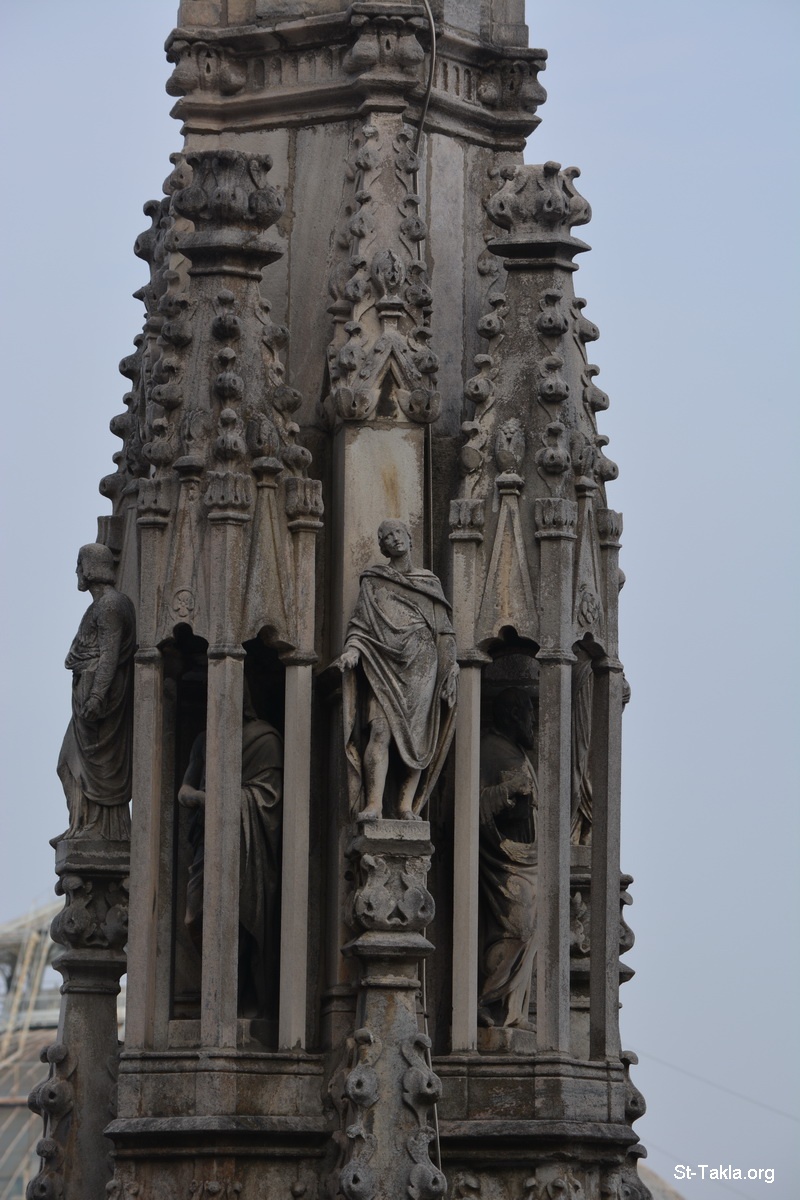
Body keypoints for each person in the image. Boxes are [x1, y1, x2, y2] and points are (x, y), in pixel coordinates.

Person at [337, 519, 458, 820]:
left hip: (422, 665)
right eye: (387, 537)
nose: (394, 539)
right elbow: (360, 625)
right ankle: (374, 804)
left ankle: (406, 806)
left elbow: (444, 632)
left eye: (398, 533)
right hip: (383, 664)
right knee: (380, 730)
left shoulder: (429, 582)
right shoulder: (373, 581)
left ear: (409, 537)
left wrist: (450, 669)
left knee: (419, 740)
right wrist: (353, 651)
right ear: (383, 547)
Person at [178, 684, 282, 1018]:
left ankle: (241, 998)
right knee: (195, 917)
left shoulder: (265, 739)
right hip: (208, 841)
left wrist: (223, 800)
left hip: (251, 844)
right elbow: (184, 789)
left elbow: (269, 797)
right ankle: (217, 993)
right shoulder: (204, 740)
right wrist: (200, 798)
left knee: (242, 919)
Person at [57, 543, 136, 840]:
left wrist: (96, 696)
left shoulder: (110, 605)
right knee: (66, 765)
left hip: (100, 705)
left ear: (91, 568)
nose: (77, 571)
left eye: (80, 565)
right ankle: (81, 825)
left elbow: (109, 656)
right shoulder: (101, 605)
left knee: (73, 765)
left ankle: (98, 830)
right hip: (87, 700)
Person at [478, 687, 538, 1030]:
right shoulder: (489, 749)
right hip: (503, 859)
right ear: (514, 715)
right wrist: (507, 792)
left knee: (530, 936)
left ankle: (513, 1012)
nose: (534, 722)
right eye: (530, 714)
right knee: (518, 931)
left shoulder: (518, 752)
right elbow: (469, 803)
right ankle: (486, 1001)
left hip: (531, 860)